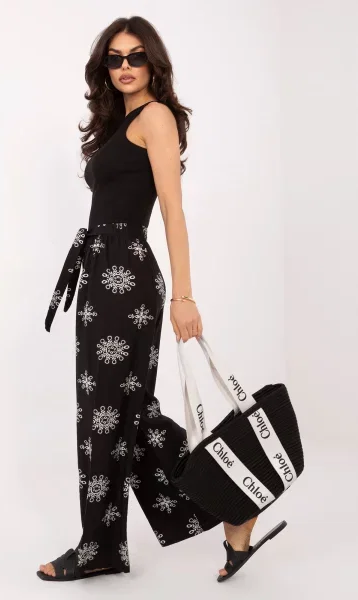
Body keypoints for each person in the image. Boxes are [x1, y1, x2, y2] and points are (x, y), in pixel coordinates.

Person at [37, 15, 285, 584]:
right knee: (125, 412)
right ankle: (232, 501)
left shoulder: (156, 117)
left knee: (109, 413)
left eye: (136, 56)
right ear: (105, 67)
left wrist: (184, 295)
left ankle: (105, 543)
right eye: (115, 58)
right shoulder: (120, 123)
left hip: (126, 278)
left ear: (153, 63)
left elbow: (173, 210)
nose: (125, 66)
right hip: (101, 274)